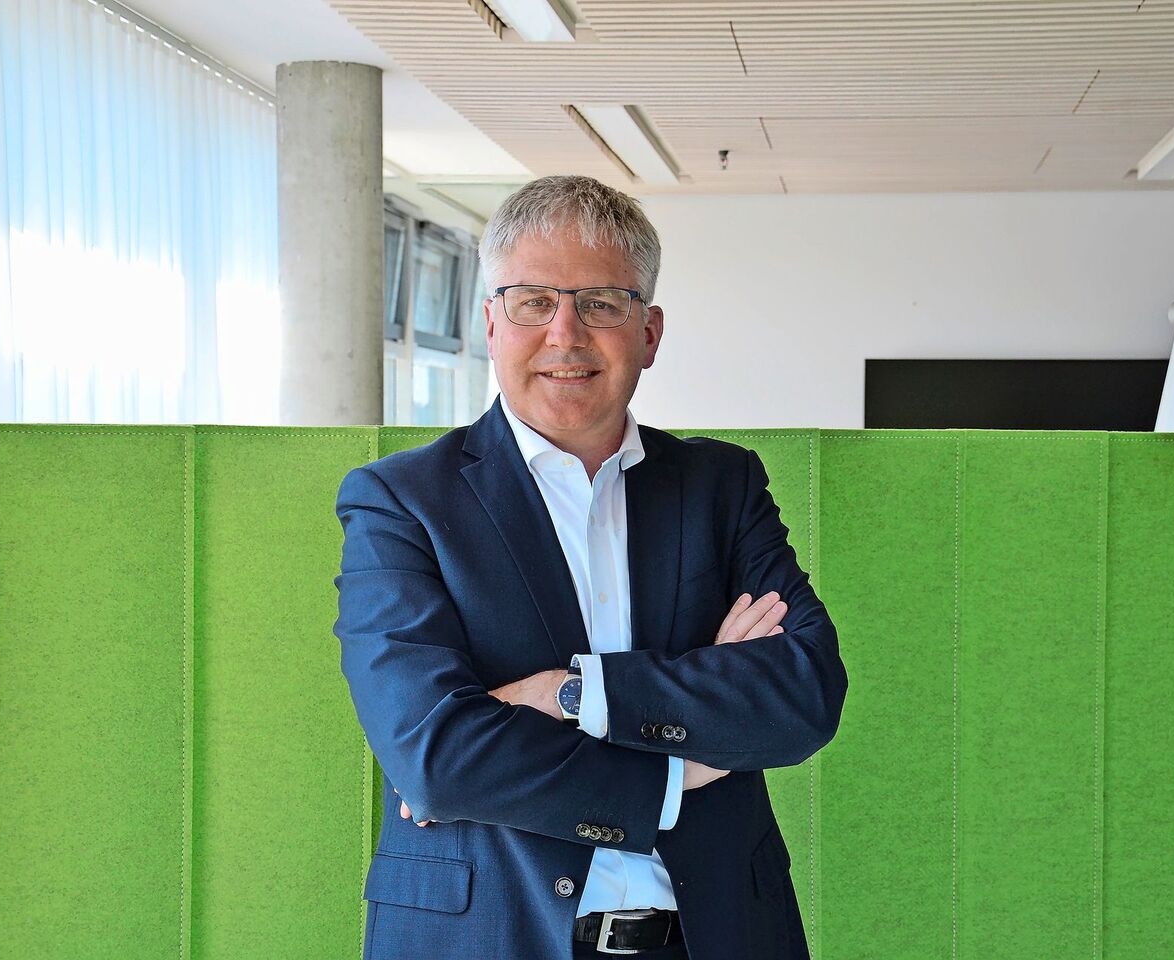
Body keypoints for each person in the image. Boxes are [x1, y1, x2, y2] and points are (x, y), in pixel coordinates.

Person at [333, 174, 847, 959]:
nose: (565, 333)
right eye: (533, 301)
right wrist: (680, 768)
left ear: (650, 333)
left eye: (602, 302)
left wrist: (573, 694)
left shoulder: (721, 487)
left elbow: (803, 693)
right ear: (491, 323)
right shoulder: (402, 503)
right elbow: (437, 757)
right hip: (490, 940)